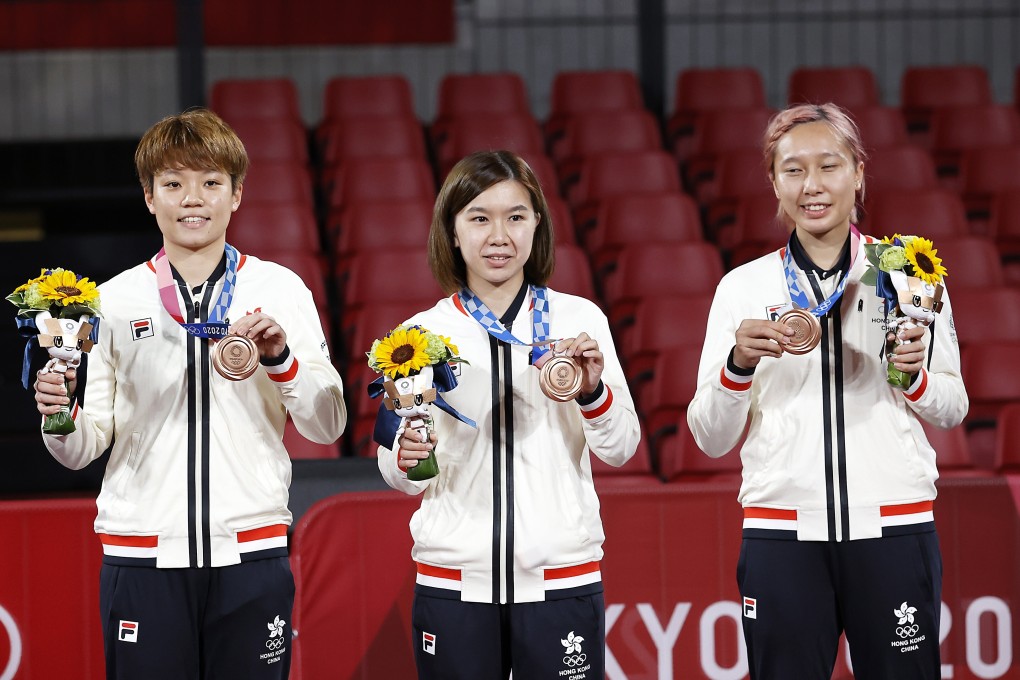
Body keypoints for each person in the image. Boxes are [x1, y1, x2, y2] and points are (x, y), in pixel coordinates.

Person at [31, 108, 347, 679]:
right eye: (174, 184)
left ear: (237, 194)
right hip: (143, 556)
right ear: (150, 197)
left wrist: (280, 360)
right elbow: (83, 447)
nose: (193, 199)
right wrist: (61, 414)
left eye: (210, 183)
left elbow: (328, 424)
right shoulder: (113, 300)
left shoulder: (280, 288)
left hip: (250, 553)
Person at [687, 103, 968, 679]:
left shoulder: (907, 273)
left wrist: (912, 377)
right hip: (782, 534)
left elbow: (953, 406)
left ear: (859, 172)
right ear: (773, 182)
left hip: (892, 526)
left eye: (829, 166)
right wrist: (738, 365)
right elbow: (710, 438)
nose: (812, 186)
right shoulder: (743, 288)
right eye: (793, 170)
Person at [375, 150, 640, 679]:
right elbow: (393, 469)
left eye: (515, 216)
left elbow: (622, 445)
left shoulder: (578, 319)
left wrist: (591, 394)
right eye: (479, 218)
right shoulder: (416, 335)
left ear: (537, 224)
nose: (499, 235)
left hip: (561, 579)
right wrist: (405, 456)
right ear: (451, 231)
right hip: (454, 582)